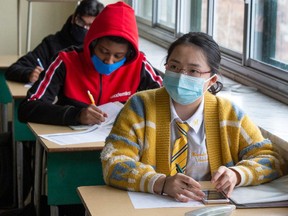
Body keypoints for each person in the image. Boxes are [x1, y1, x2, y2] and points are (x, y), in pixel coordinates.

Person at [100, 32, 284, 202]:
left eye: (193, 71)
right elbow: (113, 162)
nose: (181, 76)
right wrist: (160, 182)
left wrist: (237, 174)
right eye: (174, 67)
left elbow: (271, 159)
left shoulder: (228, 114)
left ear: (211, 80)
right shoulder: (140, 106)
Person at [18, 1, 163, 126]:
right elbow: (27, 108)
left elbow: (164, 100)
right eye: (103, 51)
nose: (109, 61)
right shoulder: (66, 61)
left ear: (129, 54)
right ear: (92, 43)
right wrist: (76, 115)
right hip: (70, 145)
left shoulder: (139, 65)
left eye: (118, 56)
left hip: (121, 146)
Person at [5, 0, 104, 84]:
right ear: (73, 18)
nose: (83, 28)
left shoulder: (101, 50)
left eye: (90, 26)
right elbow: (13, 70)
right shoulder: (52, 43)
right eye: (80, 22)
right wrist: (29, 74)